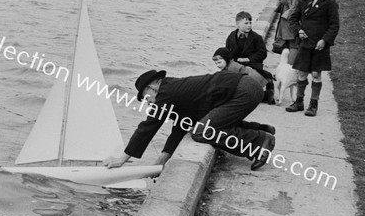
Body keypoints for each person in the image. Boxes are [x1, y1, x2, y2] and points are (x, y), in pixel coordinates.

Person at [103, 69, 276, 171]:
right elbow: (180, 127)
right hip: (247, 87)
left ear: (152, 86)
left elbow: (148, 127)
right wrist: (161, 162)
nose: (147, 101)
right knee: (209, 125)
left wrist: (122, 159)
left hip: (243, 90)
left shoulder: (165, 93)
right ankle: (261, 130)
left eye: (145, 96)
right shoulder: (172, 90)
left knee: (201, 132)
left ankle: (260, 140)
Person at [286, 0, 339, 117]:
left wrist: (324, 40)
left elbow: (334, 25)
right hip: (305, 44)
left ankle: (313, 104)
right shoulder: (303, 1)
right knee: (302, 73)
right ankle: (299, 101)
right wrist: (298, 31)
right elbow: (293, 19)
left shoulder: (329, 3)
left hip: (319, 45)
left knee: (316, 74)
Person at [225, 11, 275, 104]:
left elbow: (262, 53)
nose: (249, 25)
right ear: (238, 24)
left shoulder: (256, 38)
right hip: (236, 65)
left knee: (251, 77)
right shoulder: (231, 37)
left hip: (252, 65)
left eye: (250, 23)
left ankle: (264, 92)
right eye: (246, 23)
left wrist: (248, 59)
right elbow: (227, 51)